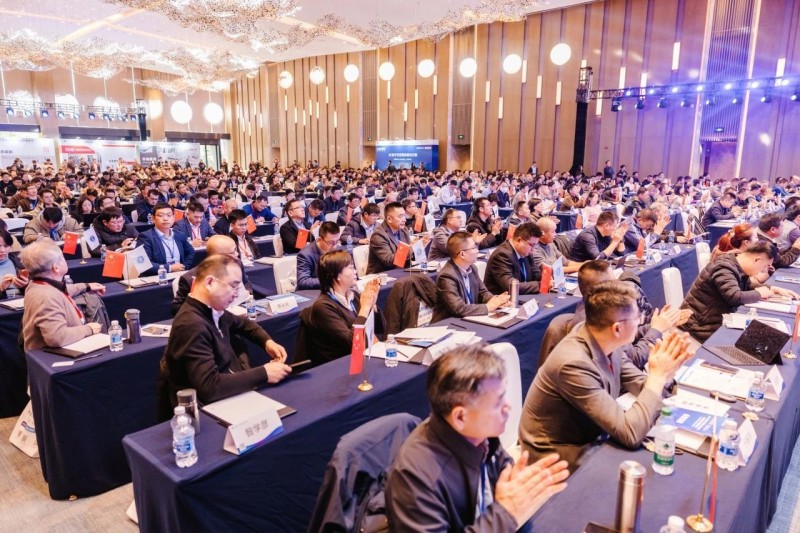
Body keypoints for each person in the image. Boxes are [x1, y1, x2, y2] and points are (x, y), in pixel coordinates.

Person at [386, 344, 569, 532]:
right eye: (497, 402)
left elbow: (505, 485)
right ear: (460, 417)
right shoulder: (415, 481)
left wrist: (519, 493)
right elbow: (505, 513)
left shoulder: (479, 435)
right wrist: (507, 513)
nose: (508, 407)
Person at [519, 281, 693, 472]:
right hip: (556, 456)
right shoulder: (573, 363)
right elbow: (631, 433)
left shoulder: (605, 340)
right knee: (647, 468)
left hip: (589, 435)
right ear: (617, 328)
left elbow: (638, 382)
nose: (640, 321)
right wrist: (657, 378)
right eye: (637, 317)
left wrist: (665, 375)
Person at [156, 254, 291, 421]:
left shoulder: (212, 309)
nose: (236, 294)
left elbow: (244, 324)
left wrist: (267, 342)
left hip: (226, 397)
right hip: (204, 412)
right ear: (210, 282)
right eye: (233, 286)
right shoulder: (191, 324)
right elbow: (210, 387)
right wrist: (264, 372)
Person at [680, 241, 797, 342]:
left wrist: (771, 288)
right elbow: (734, 297)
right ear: (757, 260)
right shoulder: (723, 267)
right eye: (765, 266)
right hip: (699, 327)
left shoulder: (736, 262)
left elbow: (746, 284)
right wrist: (760, 293)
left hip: (712, 321)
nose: (764, 270)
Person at [20, 239, 106, 350]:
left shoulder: (38, 284)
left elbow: (59, 292)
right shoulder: (46, 297)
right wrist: (89, 329)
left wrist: (86, 286)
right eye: (62, 258)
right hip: (54, 355)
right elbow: (57, 338)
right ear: (56, 268)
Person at [303, 250, 380, 366]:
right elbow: (353, 344)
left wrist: (372, 305)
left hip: (364, 357)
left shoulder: (354, 295)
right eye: (351, 268)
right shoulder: (323, 307)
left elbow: (380, 329)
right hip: (340, 365)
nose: (355, 271)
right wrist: (364, 308)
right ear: (336, 275)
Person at [432, 231, 510, 322]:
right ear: (462, 254)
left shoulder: (472, 268)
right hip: (448, 323)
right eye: (473, 248)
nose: (477, 251)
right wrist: (489, 307)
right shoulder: (446, 276)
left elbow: (483, 293)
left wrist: (497, 301)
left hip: (469, 318)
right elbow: (458, 308)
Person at [366, 202, 428, 274]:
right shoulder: (378, 235)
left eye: (404, 216)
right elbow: (388, 261)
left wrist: (419, 247)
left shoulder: (403, 230)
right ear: (389, 219)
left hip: (403, 270)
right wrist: (412, 248)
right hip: (383, 275)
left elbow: (410, 256)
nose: (404, 220)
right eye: (400, 216)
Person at [484, 222, 542, 295]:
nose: (533, 249)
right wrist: (540, 285)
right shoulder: (501, 255)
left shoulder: (526, 253)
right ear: (519, 240)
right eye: (532, 245)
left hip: (523, 297)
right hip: (503, 299)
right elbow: (511, 286)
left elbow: (537, 274)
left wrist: (547, 280)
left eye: (535, 245)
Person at [138, 202, 195, 275]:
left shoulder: (179, 235)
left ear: (173, 217)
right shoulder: (145, 237)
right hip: (157, 278)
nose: (165, 219)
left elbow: (191, 252)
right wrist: (170, 268)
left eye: (169, 215)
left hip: (179, 276)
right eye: (161, 215)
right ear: (153, 218)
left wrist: (184, 267)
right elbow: (142, 264)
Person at [297, 222, 340, 290]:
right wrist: (330, 281)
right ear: (320, 239)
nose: (335, 246)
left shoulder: (337, 248)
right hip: (312, 292)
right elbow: (303, 281)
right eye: (331, 243)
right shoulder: (305, 254)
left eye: (337, 241)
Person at [0, 229, 28, 299]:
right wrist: (1, 289)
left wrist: (26, 285)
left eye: (6, 246)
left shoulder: (20, 260)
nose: (2, 250)